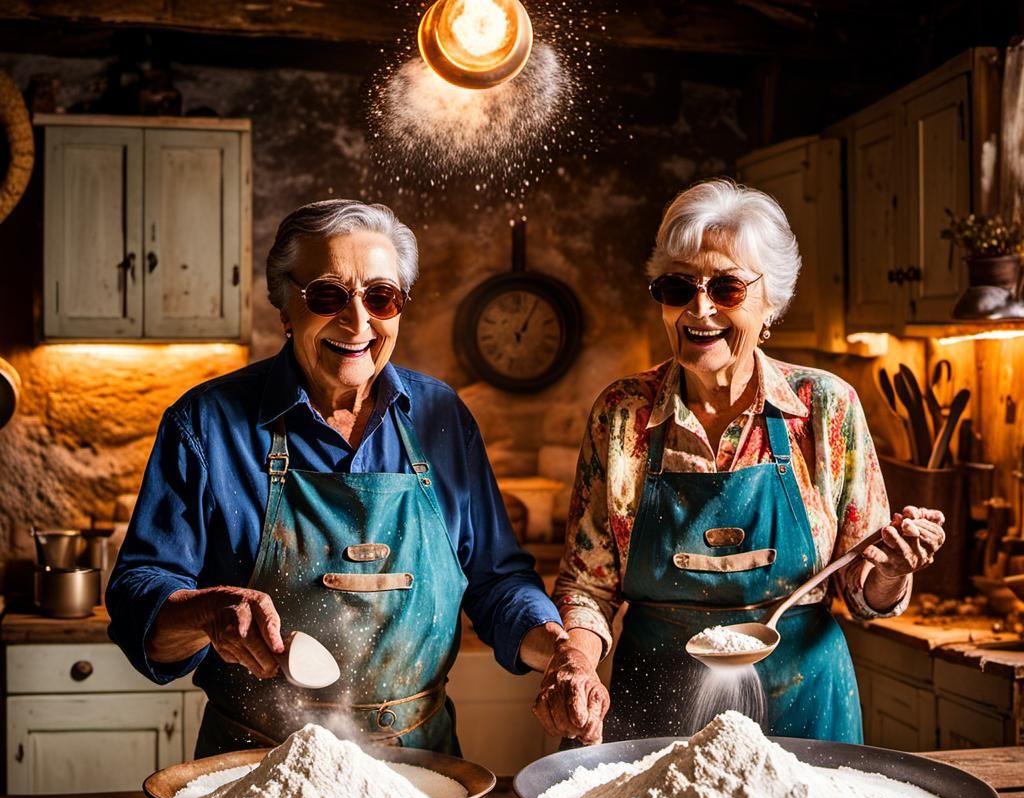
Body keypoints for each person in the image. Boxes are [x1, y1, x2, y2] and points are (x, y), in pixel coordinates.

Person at [107, 199, 566, 757]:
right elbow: (137, 599)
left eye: (381, 297)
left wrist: (561, 650)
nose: (358, 322)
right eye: (328, 295)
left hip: (420, 771)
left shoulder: (442, 420)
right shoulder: (206, 425)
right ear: (284, 306)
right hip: (257, 772)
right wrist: (205, 612)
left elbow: (497, 581)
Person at [536, 179, 945, 745]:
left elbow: (861, 586)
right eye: (678, 287)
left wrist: (893, 570)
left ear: (770, 300)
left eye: (726, 288)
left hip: (803, 707)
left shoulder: (825, 409)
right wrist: (575, 664)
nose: (699, 310)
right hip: (655, 710)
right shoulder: (622, 414)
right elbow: (588, 585)